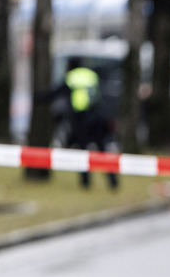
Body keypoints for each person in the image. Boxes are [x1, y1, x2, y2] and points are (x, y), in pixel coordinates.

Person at [44, 58, 117, 189]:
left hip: (82, 119)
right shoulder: (91, 75)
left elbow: (56, 93)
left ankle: (85, 182)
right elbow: (102, 95)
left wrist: (38, 97)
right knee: (102, 151)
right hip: (98, 117)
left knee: (82, 151)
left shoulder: (72, 77)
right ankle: (113, 181)